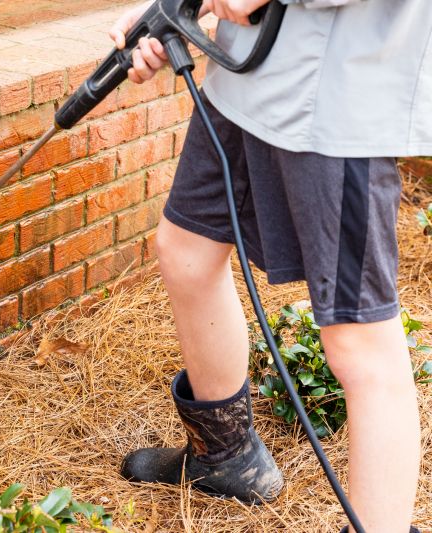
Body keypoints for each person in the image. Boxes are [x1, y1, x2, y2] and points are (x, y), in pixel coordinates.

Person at [109, 0, 431, 531]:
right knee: (186, 250)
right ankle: (226, 456)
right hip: (243, 75)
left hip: (341, 94)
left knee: (359, 344)